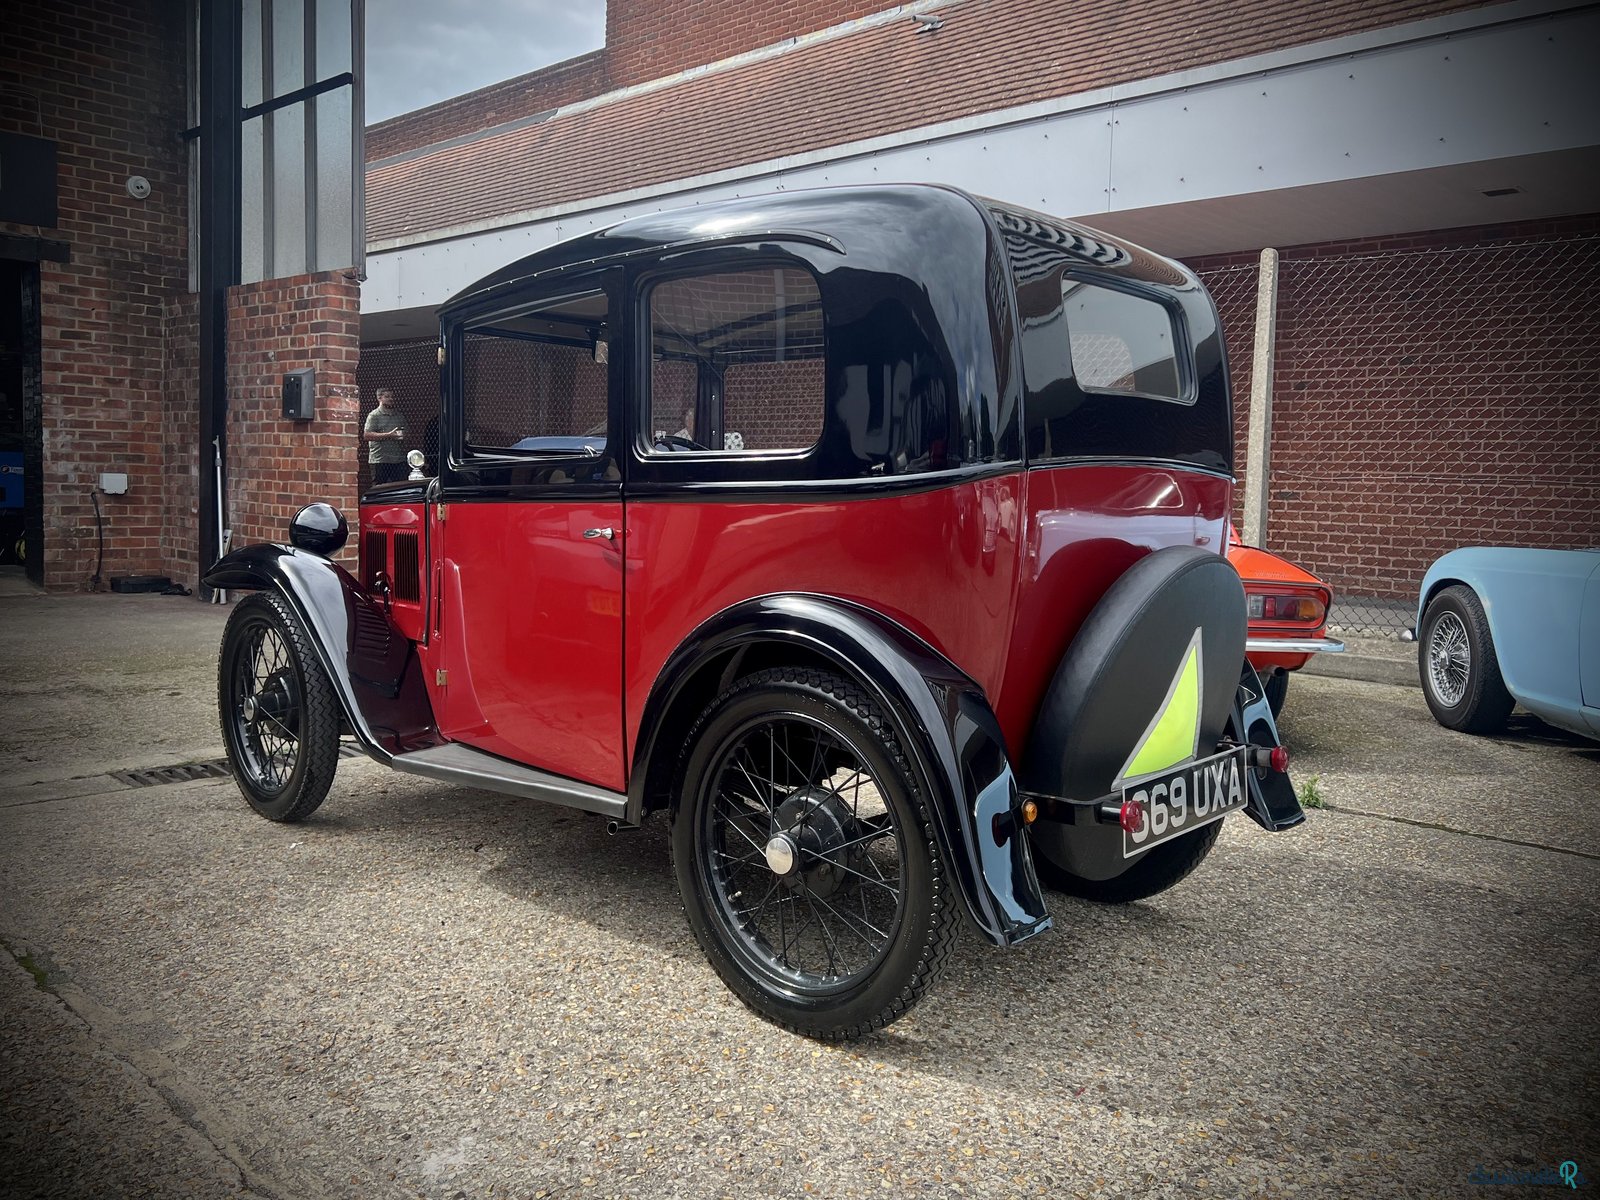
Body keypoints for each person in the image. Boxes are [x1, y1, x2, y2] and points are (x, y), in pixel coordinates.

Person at [363, 387, 407, 484]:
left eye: (392, 396)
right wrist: (389, 435)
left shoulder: (399, 416)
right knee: (379, 486)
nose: (391, 399)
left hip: (398, 459)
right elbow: (367, 435)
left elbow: (407, 433)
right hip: (380, 459)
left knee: (400, 486)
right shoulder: (374, 416)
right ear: (379, 398)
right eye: (387, 397)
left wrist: (403, 435)